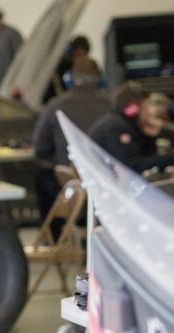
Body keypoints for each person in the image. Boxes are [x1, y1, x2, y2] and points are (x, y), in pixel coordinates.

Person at [32, 58, 111, 232]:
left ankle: (52, 237)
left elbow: (39, 149)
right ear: (101, 79)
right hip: (107, 185)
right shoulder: (110, 106)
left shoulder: (55, 106)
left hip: (71, 185)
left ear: (69, 79)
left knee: (42, 179)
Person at [90, 82, 174, 173]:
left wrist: (150, 136)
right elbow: (134, 166)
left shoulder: (121, 123)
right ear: (133, 109)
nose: (148, 113)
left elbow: (145, 157)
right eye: (145, 107)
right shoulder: (116, 128)